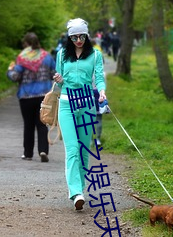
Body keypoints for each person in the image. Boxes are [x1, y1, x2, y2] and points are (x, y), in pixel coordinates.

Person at [53, 18, 106, 210]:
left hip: (87, 105)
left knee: (84, 149)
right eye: (74, 37)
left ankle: (80, 189)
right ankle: (75, 192)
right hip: (66, 104)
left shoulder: (95, 55)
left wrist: (101, 91)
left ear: (87, 35)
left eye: (82, 36)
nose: (78, 40)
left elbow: (98, 77)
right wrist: (58, 79)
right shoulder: (61, 55)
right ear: (69, 37)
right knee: (72, 148)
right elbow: (59, 84)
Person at [7, 32, 56, 162]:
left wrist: (10, 70)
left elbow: (15, 77)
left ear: (26, 44)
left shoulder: (22, 58)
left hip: (26, 96)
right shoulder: (47, 57)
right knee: (42, 124)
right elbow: (54, 74)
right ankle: (43, 150)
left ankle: (28, 153)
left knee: (28, 125)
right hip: (43, 96)